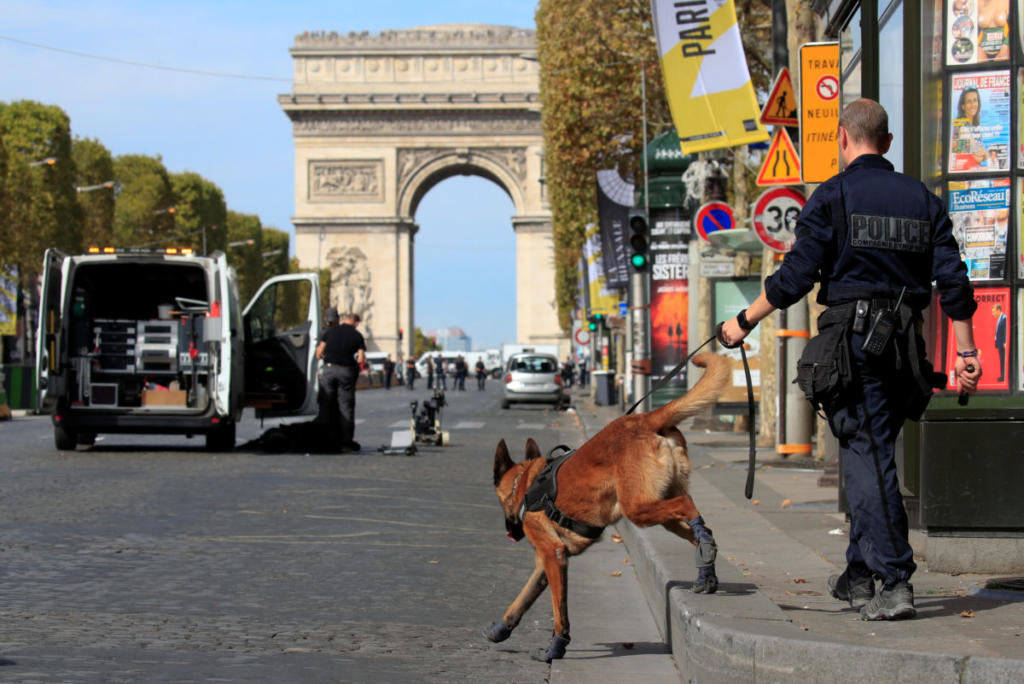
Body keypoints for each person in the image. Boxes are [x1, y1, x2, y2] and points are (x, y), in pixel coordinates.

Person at [719, 99, 982, 622]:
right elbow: (954, 281)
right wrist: (968, 352)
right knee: (876, 449)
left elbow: (794, 278)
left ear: (842, 138)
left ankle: (894, 579)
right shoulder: (923, 201)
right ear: (886, 143)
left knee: (866, 456)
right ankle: (859, 575)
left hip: (853, 342)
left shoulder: (833, 197)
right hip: (905, 344)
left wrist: (742, 322)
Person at [316, 309, 366, 453]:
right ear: (355, 323)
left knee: (325, 405)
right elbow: (361, 359)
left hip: (329, 370)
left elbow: (319, 353)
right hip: (346, 371)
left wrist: (328, 356)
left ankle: (323, 440)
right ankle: (346, 442)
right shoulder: (357, 335)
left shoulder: (329, 331)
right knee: (346, 407)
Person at [993, 303, 1007, 382]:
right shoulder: (1000, 318)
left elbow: (1005, 330)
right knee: (1002, 360)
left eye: (994, 311)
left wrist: (1005, 342)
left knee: (1003, 360)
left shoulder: (1004, 318)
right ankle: (1002, 376)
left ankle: (1003, 377)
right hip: (1000, 343)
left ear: (998, 310)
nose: (993, 313)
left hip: (1002, 343)